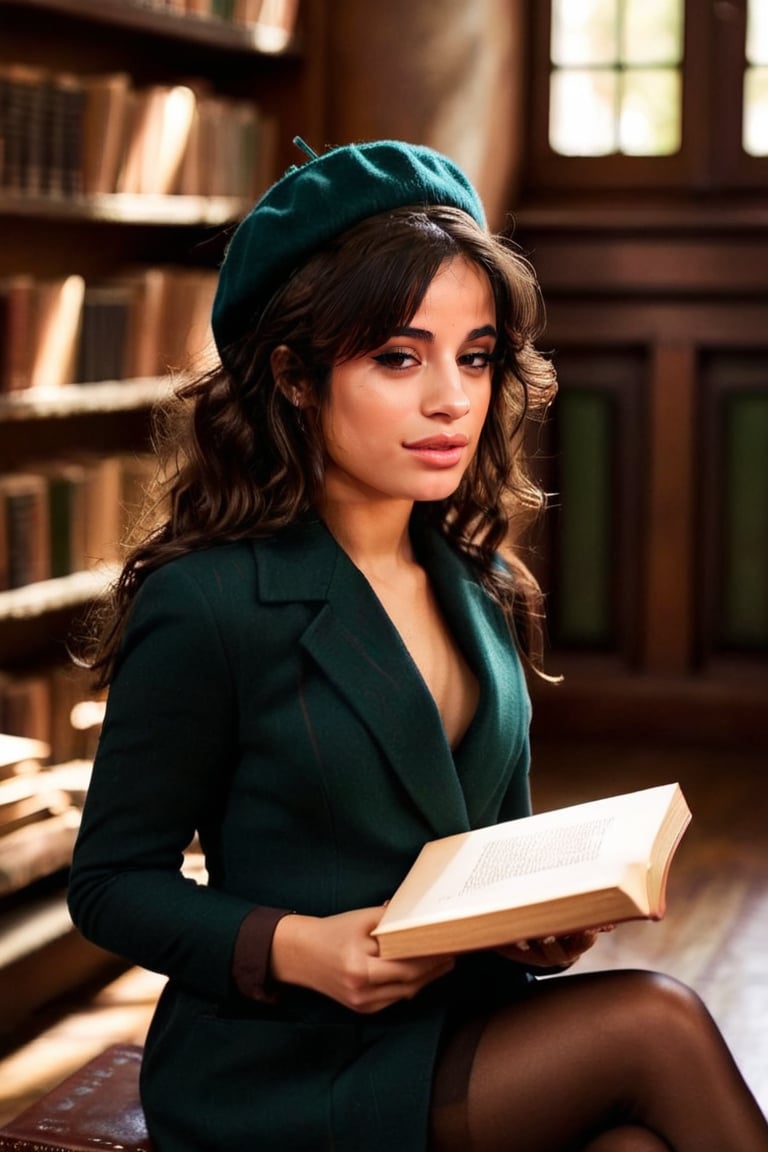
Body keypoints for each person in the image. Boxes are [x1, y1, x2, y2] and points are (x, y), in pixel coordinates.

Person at [67, 138, 768, 1152]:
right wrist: (297, 946)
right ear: (297, 378)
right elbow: (110, 884)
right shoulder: (210, 601)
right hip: (285, 1067)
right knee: (656, 1022)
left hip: (462, 1030)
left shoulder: (483, 586)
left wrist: (533, 925)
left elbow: (479, 858)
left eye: (474, 355)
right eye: (399, 357)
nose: (452, 399)